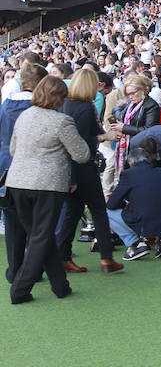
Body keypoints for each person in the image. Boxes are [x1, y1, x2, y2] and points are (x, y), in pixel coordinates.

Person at [6, 76, 91, 304]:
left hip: (17, 183)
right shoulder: (62, 121)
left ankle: (60, 286)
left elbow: (14, 149)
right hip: (47, 186)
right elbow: (81, 154)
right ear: (59, 98)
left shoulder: (24, 115)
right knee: (41, 238)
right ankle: (20, 290)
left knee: (40, 237)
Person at [56, 69, 123, 273]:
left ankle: (63, 257)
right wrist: (106, 137)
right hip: (82, 167)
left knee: (72, 214)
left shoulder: (65, 105)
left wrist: (106, 134)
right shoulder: (85, 108)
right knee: (98, 211)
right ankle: (106, 258)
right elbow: (84, 142)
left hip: (69, 170)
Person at [0, 63, 46, 285]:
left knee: (13, 222)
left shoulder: (6, 104)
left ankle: (15, 269)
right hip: (32, 169)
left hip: (6, 168)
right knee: (35, 223)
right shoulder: (38, 108)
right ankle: (31, 270)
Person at [106, 143, 161, 261]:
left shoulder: (127, 174)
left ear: (130, 163)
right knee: (153, 205)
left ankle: (136, 243)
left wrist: (126, 204)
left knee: (107, 212)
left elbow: (112, 204)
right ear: (148, 159)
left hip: (145, 221)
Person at [108, 74, 160, 194]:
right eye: (128, 94)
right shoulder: (131, 104)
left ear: (143, 90)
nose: (130, 97)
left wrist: (124, 128)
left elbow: (149, 130)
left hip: (141, 149)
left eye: (132, 93)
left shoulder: (151, 105)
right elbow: (121, 117)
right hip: (127, 146)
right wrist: (117, 109)